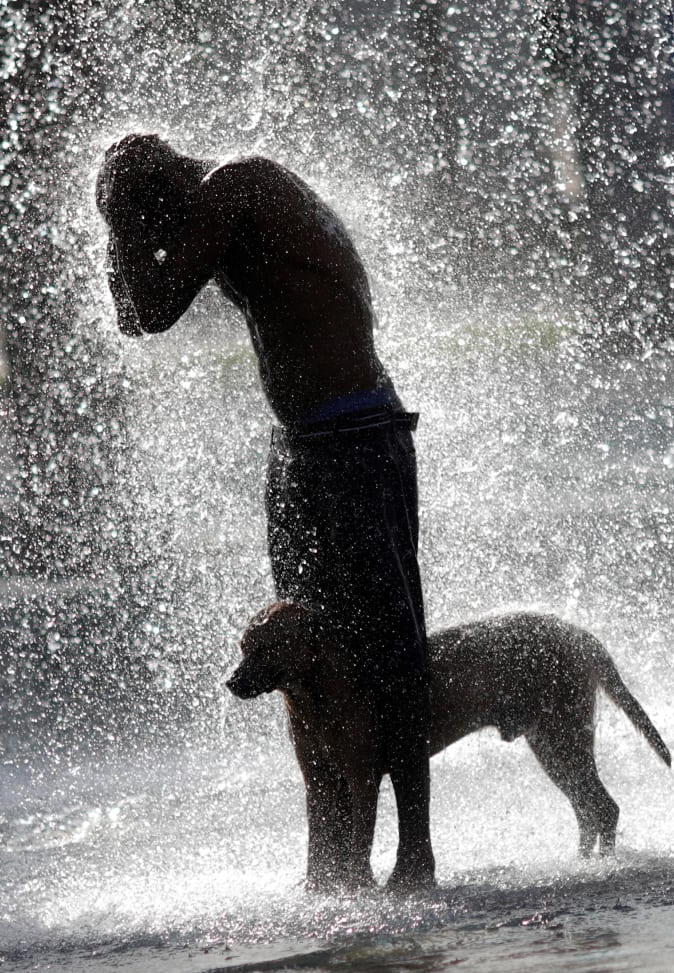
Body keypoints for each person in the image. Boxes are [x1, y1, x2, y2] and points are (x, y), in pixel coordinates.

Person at [95, 132, 436, 892]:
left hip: (356, 435)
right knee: (300, 650)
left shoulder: (235, 185)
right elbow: (133, 315)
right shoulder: (213, 207)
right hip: (306, 445)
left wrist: (115, 223)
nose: (151, 245)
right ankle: (331, 862)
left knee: (391, 647)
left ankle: (416, 853)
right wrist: (120, 221)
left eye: (142, 224)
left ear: (160, 201)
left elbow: (147, 311)